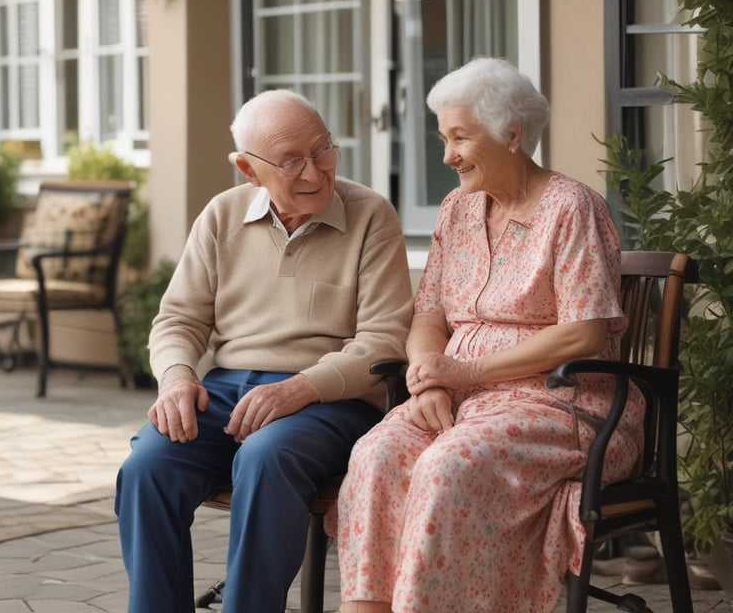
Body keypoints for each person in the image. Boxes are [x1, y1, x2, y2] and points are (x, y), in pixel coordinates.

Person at [335, 58, 644, 613]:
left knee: (447, 465)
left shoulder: (570, 207)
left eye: (459, 137)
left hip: (559, 402)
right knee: (377, 453)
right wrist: (429, 381)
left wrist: (468, 371)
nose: (447, 155)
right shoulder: (456, 209)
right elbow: (428, 315)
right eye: (443, 138)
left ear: (512, 133)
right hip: (460, 397)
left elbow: (584, 332)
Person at [116, 89, 413, 613]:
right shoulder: (221, 215)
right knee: (148, 469)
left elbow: (384, 340)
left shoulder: (371, 215)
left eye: (323, 150)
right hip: (226, 389)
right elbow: (179, 319)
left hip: (329, 399)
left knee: (265, 456)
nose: (315, 172)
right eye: (292, 161)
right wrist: (177, 377)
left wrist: (300, 388)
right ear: (248, 170)